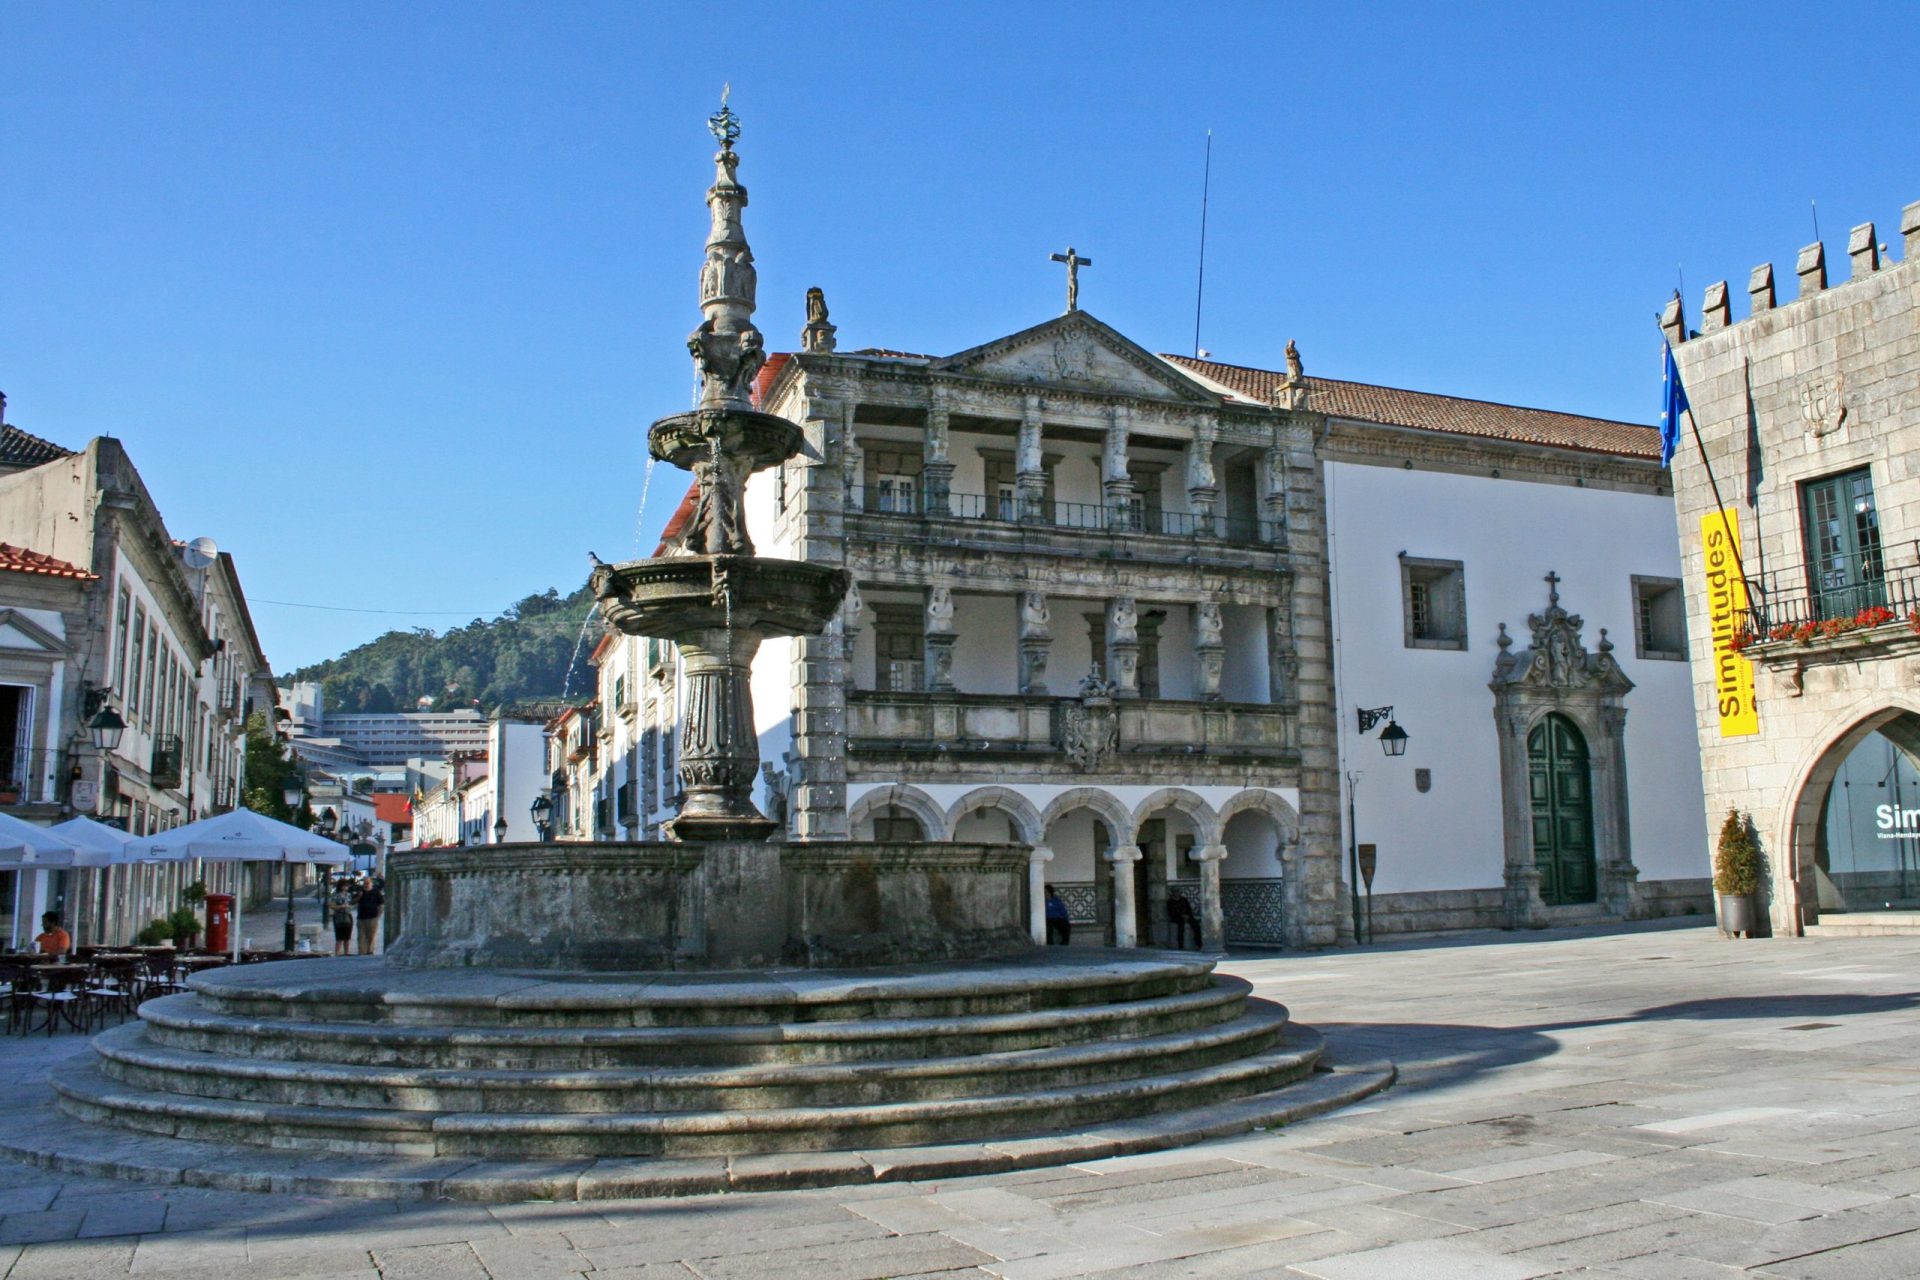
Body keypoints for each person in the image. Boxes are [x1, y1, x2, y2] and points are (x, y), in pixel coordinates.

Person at [355, 877, 384, 956]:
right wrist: (359, 896)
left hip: (372, 917)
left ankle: (370, 951)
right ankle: (362, 952)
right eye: (365, 883)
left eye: (367, 883)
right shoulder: (360, 892)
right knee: (361, 936)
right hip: (361, 917)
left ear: (371, 883)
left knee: (371, 936)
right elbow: (353, 902)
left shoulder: (376, 892)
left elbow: (381, 904)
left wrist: (378, 915)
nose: (366, 885)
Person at [327, 880, 356, 957]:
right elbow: (331, 906)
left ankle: (346, 953)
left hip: (348, 915)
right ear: (341, 886)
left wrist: (350, 906)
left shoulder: (348, 895)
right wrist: (340, 907)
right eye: (345, 885)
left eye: (347, 885)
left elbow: (351, 904)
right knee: (339, 936)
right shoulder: (336, 895)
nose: (346, 887)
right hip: (339, 916)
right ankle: (337, 953)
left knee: (347, 936)